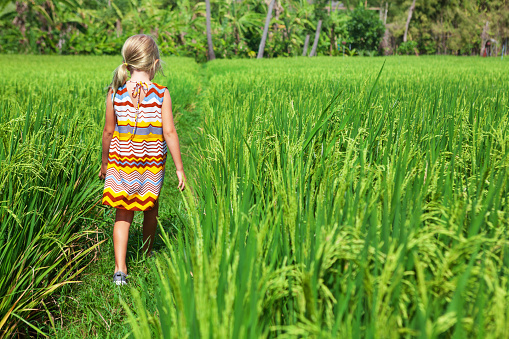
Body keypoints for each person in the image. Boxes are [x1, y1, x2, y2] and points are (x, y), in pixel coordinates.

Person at [99, 34, 186, 286]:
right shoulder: (161, 93)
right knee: (151, 208)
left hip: (120, 163)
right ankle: (147, 253)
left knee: (122, 216)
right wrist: (180, 168)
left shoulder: (115, 93)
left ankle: (120, 269)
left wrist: (104, 163)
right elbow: (169, 132)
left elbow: (107, 132)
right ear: (155, 64)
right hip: (151, 165)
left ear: (128, 63)